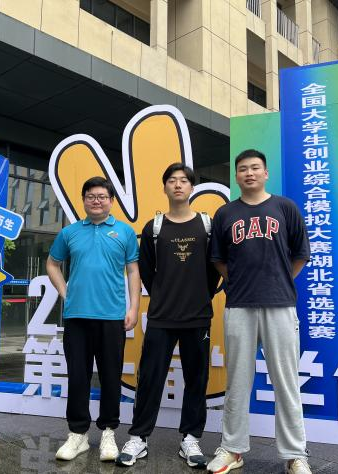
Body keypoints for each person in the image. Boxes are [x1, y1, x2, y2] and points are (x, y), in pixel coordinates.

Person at [206, 149, 312, 474]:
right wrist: (237, 280)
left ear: (266, 173)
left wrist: (279, 280)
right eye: (243, 169)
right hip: (239, 304)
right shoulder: (225, 213)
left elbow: (301, 253)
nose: (249, 173)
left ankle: (295, 455)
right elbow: (218, 259)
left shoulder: (285, 207)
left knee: (286, 382)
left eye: (255, 168)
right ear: (236, 176)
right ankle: (232, 449)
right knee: (238, 382)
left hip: (280, 304)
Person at [116, 163, 219, 469]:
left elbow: (214, 269)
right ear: (164, 187)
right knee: (150, 377)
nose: (177, 185)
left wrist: (199, 295)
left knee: (197, 378)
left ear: (191, 187)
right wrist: (163, 295)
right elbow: (147, 271)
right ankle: (139, 436)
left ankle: (191, 438)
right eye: (172, 180)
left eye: (184, 180)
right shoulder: (154, 228)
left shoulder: (207, 225)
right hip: (161, 315)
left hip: (198, 316)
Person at [47, 176, 141, 463]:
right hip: (77, 316)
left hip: (112, 316)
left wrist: (134, 308)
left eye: (102, 196)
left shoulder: (124, 232)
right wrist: (66, 293)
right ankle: (78, 434)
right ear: (84, 200)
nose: (96, 201)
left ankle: (109, 432)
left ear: (111, 201)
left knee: (111, 376)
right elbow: (52, 264)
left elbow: (133, 271)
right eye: (91, 196)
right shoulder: (70, 232)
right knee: (78, 376)